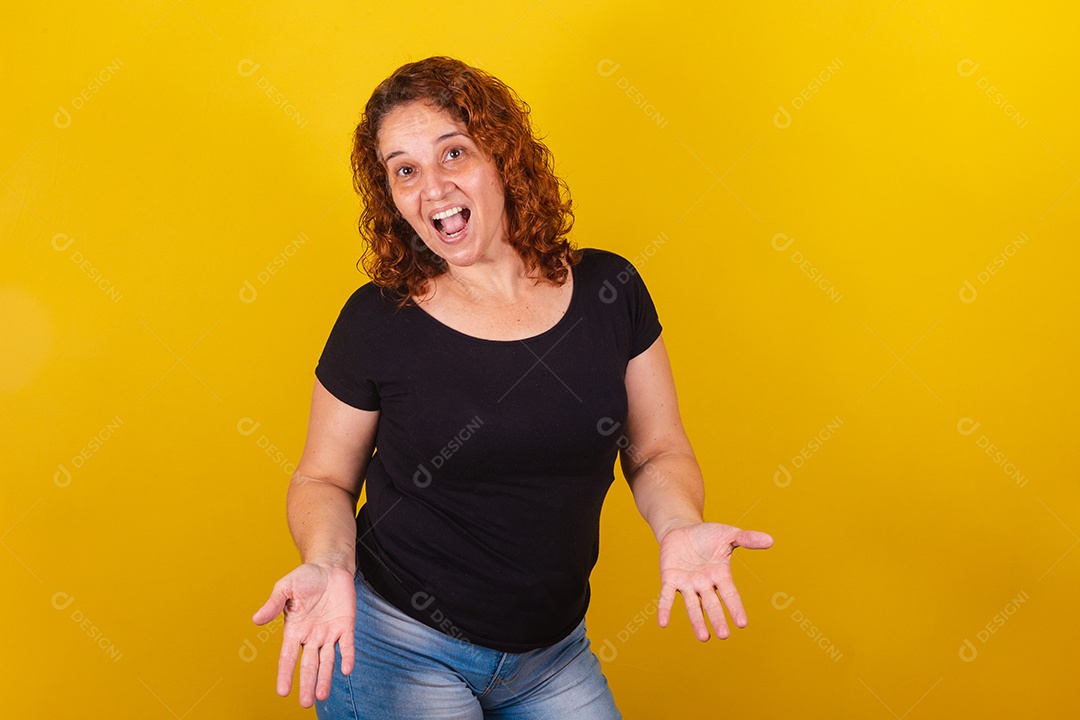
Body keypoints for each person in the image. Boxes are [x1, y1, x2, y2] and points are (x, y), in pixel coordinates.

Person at [252, 55, 774, 719]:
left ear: (504, 158)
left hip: (552, 654)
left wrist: (679, 523)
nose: (432, 187)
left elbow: (656, 448)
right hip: (396, 647)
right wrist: (328, 565)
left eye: (454, 153)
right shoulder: (378, 320)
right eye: (404, 169)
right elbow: (322, 479)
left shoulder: (610, 292)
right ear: (390, 196)